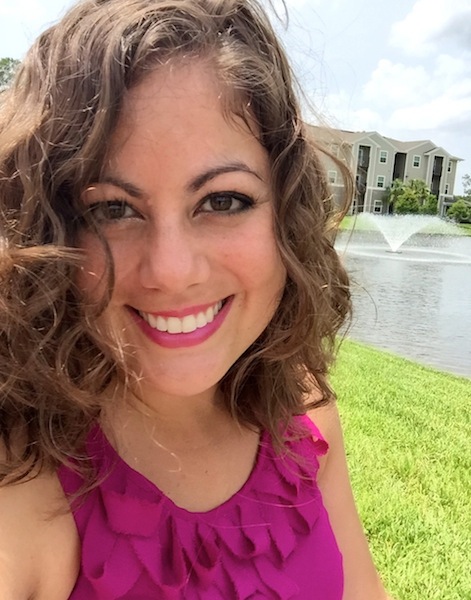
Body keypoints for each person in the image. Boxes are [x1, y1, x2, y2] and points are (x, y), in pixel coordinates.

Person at [0, 1, 391, 598]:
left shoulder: (304, 412)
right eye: (112, 209)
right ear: (49, 232)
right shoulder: (24, 481)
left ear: (286, 215)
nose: (172, 271)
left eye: (222, 201)